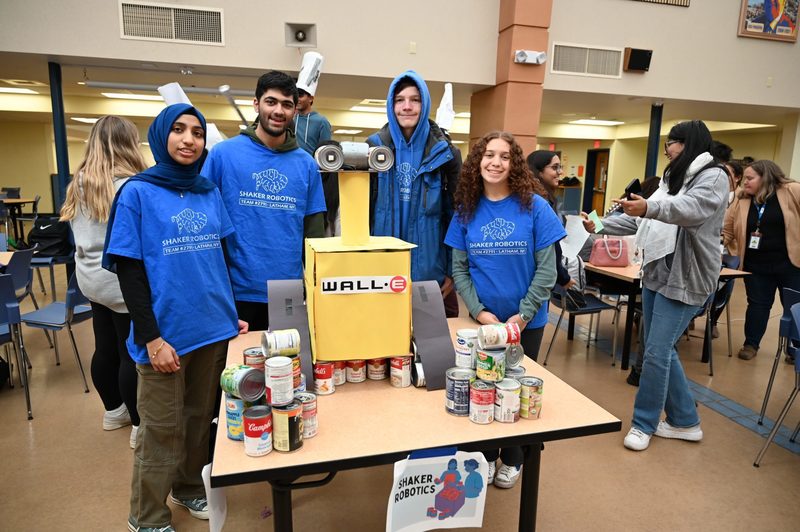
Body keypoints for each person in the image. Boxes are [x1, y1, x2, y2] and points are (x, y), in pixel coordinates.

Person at [103, 103, 248, 531]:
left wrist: (230, 315)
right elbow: (129, 271)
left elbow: (218, 258)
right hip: (165, 334)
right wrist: (151, 339)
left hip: (212, 327)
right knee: (160, 430)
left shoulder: (208, 190)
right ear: (161, 135)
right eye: (180, 130)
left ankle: (188, 487)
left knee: (199, 419)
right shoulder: (136, 193)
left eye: (198, 133)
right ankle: (146, 516)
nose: (189, 139)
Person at [583, 120, 728, 451]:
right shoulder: (669, 178)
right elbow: (639, 219)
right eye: (667, 145)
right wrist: (601, 223)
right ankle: (686, 421)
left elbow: (689, 210)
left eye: (673, 144)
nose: (668, 150)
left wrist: (649, 205)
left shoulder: (714, 177)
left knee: (657, 351)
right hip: (656, 273)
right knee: (658, 348)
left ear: (690, 144)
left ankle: (643, 423)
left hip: (687, 279)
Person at [445, 131, 564, 486]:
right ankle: (487, 453)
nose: (495, 163)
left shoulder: (535, 207)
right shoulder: (466, 209)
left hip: (526, 322)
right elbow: (460, 268)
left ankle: (514, 457)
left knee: (515, 387)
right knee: (484, 385)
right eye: (488, 155)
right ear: (477, 162)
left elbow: (548, 269)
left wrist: (524, 313)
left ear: (514, 164)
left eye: (504, 156)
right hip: (484, 322)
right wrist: (479, 311)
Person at [202, 71, 326, 330]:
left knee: (289, 368)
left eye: (287, 104)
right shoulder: (223, 155)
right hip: (235, 290)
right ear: (256, 104)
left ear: (295, 111)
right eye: (271, 102)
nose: (279, 110)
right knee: (237, 369)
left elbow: (314, 234)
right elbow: (206, 224)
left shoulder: (306, 164)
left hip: (289, 291)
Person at [59, 115, 146, 448]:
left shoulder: (78, 181)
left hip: (90, 278)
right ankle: (139, 426)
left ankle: (113, 412)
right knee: (130, 353)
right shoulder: (127, 185)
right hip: (119, 280)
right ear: (127, 144)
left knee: (105, 345)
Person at [367, 70, 462, 317]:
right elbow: (360, 213)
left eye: (415, 100)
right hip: (380, 271)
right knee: (383, 347)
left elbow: (457, 216)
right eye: (399, 100)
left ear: (425, 104)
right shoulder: (372, 149)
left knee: (427, 348)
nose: (407, 107)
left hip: (430, 273)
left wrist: (452, 270)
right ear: (391, 104)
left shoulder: (446, 154)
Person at [722, 159, 800, 362]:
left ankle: (795, 349)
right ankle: (751, 344)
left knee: (794, 307)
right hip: (756, 265)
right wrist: (716, 245)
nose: (744, 182)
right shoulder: (742, 199)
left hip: (791, 263)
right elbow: (728, 229)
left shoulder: (791, 190)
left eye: (750, 178)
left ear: (765, 177)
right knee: (757, 304)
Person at [526, 150, 575, 290]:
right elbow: (551, 246)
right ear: (539, 172)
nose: (560, 172)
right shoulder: (539, 202)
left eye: (560, 167)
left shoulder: (543, 197)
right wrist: (563, 277)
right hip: (538, 277)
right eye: (554, 167)